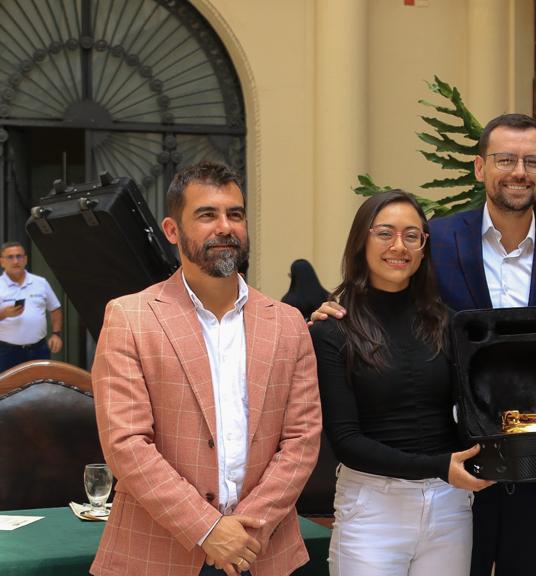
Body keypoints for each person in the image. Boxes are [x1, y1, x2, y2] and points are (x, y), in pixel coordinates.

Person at [314, 113, 536, 576]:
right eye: (505, 159)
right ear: (480, 168)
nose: (519, 171)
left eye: (531, 161)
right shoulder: (436, 240)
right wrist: (331, 311)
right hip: (455, 470)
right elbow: (384, 296)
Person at [90, 161, 322, 576]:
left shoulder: (287, 322)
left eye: (235, 214)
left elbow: (302, 440)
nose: (225, 227)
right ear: (172, 230)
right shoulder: (131, 317)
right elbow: (127, 444)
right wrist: (208, 528)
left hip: (263, 551)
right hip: (159, 552)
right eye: (207, 215)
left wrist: (246, 529)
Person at [309, 190, 492, 575]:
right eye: (385, 233)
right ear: (361, 240)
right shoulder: (333, 329)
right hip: (372, 509)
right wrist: (438, 465)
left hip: (448, 506)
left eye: (412, 236)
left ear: (424, 247)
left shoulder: (447, 323)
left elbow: (471, 413)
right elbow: (346, 442)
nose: (399, 246)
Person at [0, 241, 63, 372]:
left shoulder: (40, 282)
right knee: (7, 391)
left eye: (19, 256)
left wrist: (56, 334)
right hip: (6, 352)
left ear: (26, 259)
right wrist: (4, 314)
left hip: (39, 349)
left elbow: (55, 309)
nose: (16, 261)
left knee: (40, 389)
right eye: (10, 257)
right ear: (2, 261)